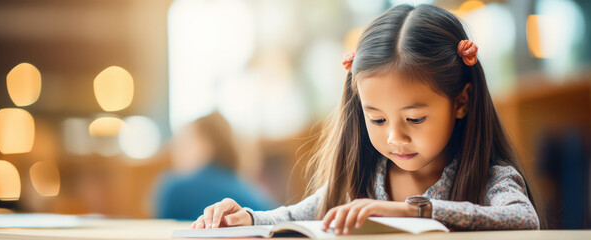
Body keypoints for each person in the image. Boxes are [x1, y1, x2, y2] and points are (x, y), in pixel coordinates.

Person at [191, 4, 540, 232]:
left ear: (461, 101)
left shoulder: (492, 178)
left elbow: (524, 220)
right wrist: (246, 218)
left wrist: (416, 213)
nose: (394, 138)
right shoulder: (360, 176)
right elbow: (297, 215)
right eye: (376, 119)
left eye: (415, 119)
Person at [154, 111, 276, 220]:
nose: (176, 153)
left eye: (184, 144)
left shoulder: (176, 188)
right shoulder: (252, 191)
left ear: (208, 147)